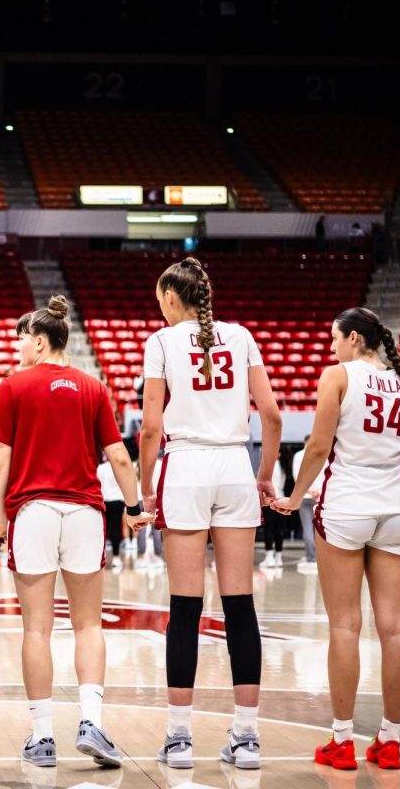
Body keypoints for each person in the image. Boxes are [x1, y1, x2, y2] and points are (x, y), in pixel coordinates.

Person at [0, 295, 153, 768]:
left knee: (37, 629)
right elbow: (119, 456)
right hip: (83, 512)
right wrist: (136, 506)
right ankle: (93, 724)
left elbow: (0, 462)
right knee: (88, 625)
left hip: (34, 511)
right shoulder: (94, 387)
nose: (17, 346)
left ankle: (42, 737)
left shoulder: (14, 388)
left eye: (21, 339)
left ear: (40, 341)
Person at [138, 257, 282, 770]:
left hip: (186, 467)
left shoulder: (161, 342)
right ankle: (246, 738)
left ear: (172, 299)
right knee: (240, 606)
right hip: (234, 466)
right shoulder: (240, 335)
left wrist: (145, 491)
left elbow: (151, 425)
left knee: (185, 607)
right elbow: (271, 413)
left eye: (160, 299)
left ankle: (179, 739)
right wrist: (264, 474)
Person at [272, 307, 400, 771]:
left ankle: (342, 741)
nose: (330, 348)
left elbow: (319, 447)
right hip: (398, 510)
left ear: (355, 339)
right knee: (396, 628)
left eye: (334, 339)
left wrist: (294, 495)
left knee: (345, 626)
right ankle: (391, 741)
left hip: (346, 506)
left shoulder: (338, 377)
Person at [291, 436, 321, 573]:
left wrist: (308, 490)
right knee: (320, 529)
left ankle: (311, 558)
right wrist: (317, 491)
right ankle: (320, 558)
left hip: (304, 496)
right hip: (319, 496)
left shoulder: (298, 455)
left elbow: (297, 476)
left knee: (307, 528)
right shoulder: (322, 454)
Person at [98, 453, 126, 569]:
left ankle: (101, 556)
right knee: (116, 529)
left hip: (104, 500)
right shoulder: (119, 468)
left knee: (103, 530)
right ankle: (115, 557)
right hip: (117, 501)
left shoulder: (100, 468)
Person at [259, 457, 286, 568]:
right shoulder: (284, 466)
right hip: (281, 498)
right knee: (279, 529)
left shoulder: (268, 466)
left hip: (269, 500)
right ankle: (279, 557)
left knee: (269, 528)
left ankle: (269, 557)